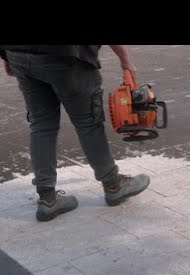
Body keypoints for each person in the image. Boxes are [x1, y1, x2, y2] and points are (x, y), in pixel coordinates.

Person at [0, 45, 150, 221]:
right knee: (88, 123)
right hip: (66, 57)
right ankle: (113, 185)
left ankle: (47, 199)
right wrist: (125, 59)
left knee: (41, 124)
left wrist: (7, 55)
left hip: (19, 54)